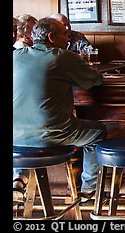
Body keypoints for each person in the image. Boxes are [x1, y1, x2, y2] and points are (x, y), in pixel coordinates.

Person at [13, 17, 107, 202]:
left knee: (24, 138)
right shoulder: (63, 56)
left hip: (14, 136)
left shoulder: (16, 56)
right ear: (51, 37)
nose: (68, 37)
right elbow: (95, 80)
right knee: (97, 132)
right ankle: (90, 190)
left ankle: (19, 178)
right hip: (51, 134)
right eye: (65, 34)